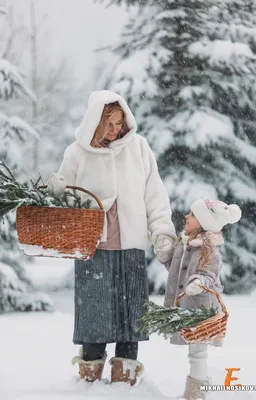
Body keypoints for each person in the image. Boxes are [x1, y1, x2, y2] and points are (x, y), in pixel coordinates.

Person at [47, 90, 176, 385]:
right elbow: (66, 197)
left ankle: (125, 380)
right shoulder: (76, 153)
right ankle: (89, 379)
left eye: (119, 123)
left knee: (131, 320)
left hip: (131, 248)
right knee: (95, 319)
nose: (115, 130)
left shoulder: (139, 148)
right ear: (95, 122)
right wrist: (56, 190)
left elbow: (155, 197)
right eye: (109, 124)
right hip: (94, 249)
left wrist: (162, 232)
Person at [157, 199, 241, 399]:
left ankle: (196, 393)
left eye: (193, 215)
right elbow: (177, 271)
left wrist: (198, 282)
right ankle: (198, 388)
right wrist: (165, 255)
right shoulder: (185, 243)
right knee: (194, 348)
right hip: (187, 305)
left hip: (201, 308)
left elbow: (209, 276)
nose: (186, 217)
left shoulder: (208, 250)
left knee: (198, 350)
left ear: (204, 223)